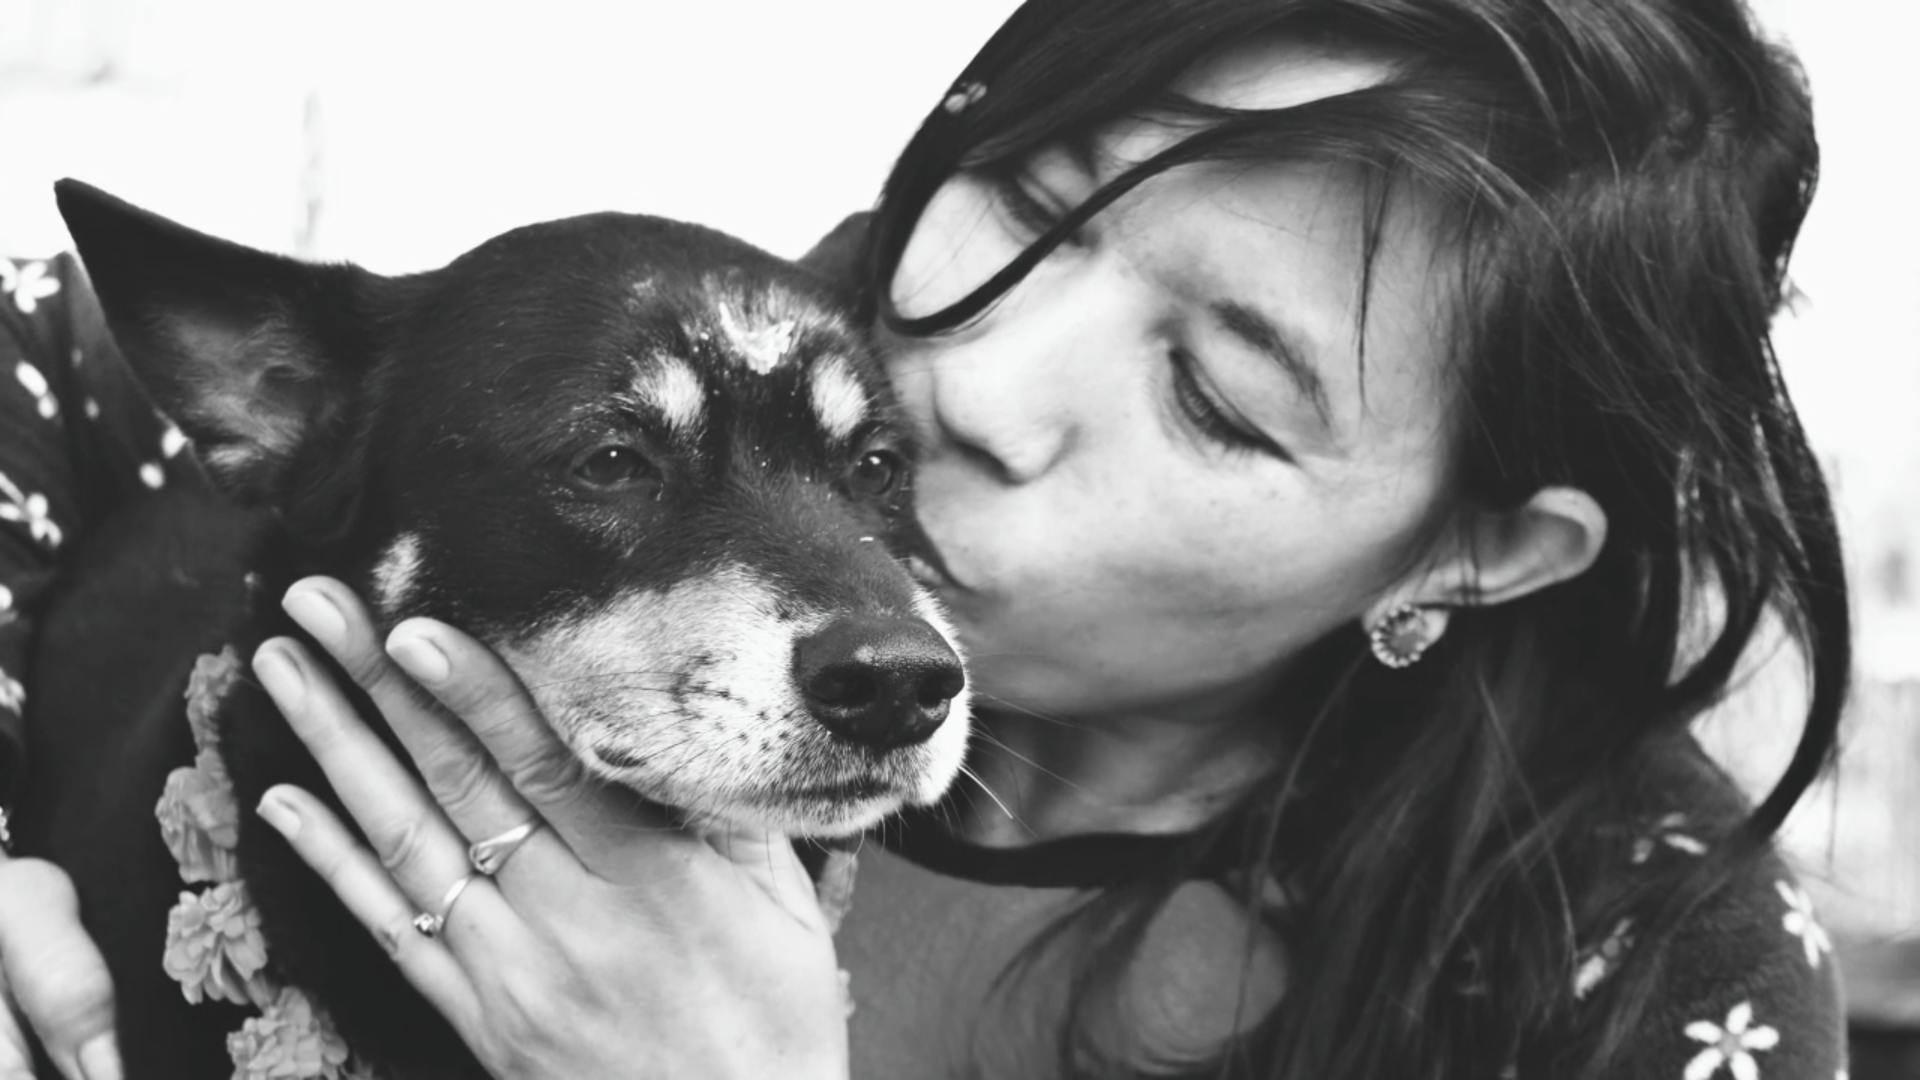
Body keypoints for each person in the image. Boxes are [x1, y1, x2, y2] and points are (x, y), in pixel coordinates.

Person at [0, 0, 1853, 1076]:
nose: (975, 385)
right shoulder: (730, 352)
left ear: (1473, 555)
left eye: (1217, 397)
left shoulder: (1643, 976)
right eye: (1034, 209)